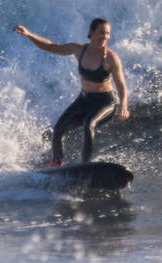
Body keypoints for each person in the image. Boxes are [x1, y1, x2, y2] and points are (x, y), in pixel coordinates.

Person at [13, 18, 130, 165]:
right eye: (101, 33)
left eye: (107, 34)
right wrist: (29, 35)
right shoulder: (79, 50)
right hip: (84, 100)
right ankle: (57, 163)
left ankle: (85, 165)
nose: (105, 37)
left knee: (89, 124)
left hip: (105, 103)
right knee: (58, 130)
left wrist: (123, 106)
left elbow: (121, 85)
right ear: (91, 33)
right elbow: (51, 46)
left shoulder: (111, 58)